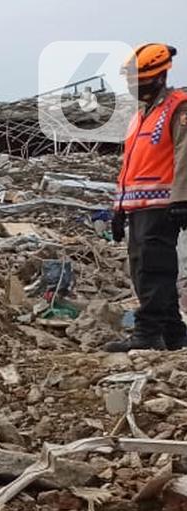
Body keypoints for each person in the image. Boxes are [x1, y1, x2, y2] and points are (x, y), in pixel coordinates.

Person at [108, 43, 187, 352]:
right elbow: (130, 164)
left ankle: (147, 333)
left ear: (157, 77)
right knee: (140, 268)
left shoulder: (178, 108)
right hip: (137, 206)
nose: (132, 88)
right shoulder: (140, 116)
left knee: (154, 269)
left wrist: (181, 198)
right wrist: (118, 208)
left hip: (163, 205)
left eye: (137, 81)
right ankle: (174, 333)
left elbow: (184, 154)